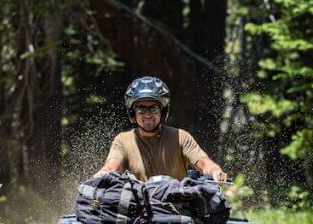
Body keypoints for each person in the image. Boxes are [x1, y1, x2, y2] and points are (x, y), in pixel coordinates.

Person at [93, 76, 228, 182]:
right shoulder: (123, 140)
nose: (148, 115)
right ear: (133, 112)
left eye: (153, 109)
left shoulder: (180, 137)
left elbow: (202, 162)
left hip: (177, 205)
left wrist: (214, 170)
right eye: (141, 109)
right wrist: (103, 173)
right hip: (137, 207)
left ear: (162, 111)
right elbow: (112, 166)